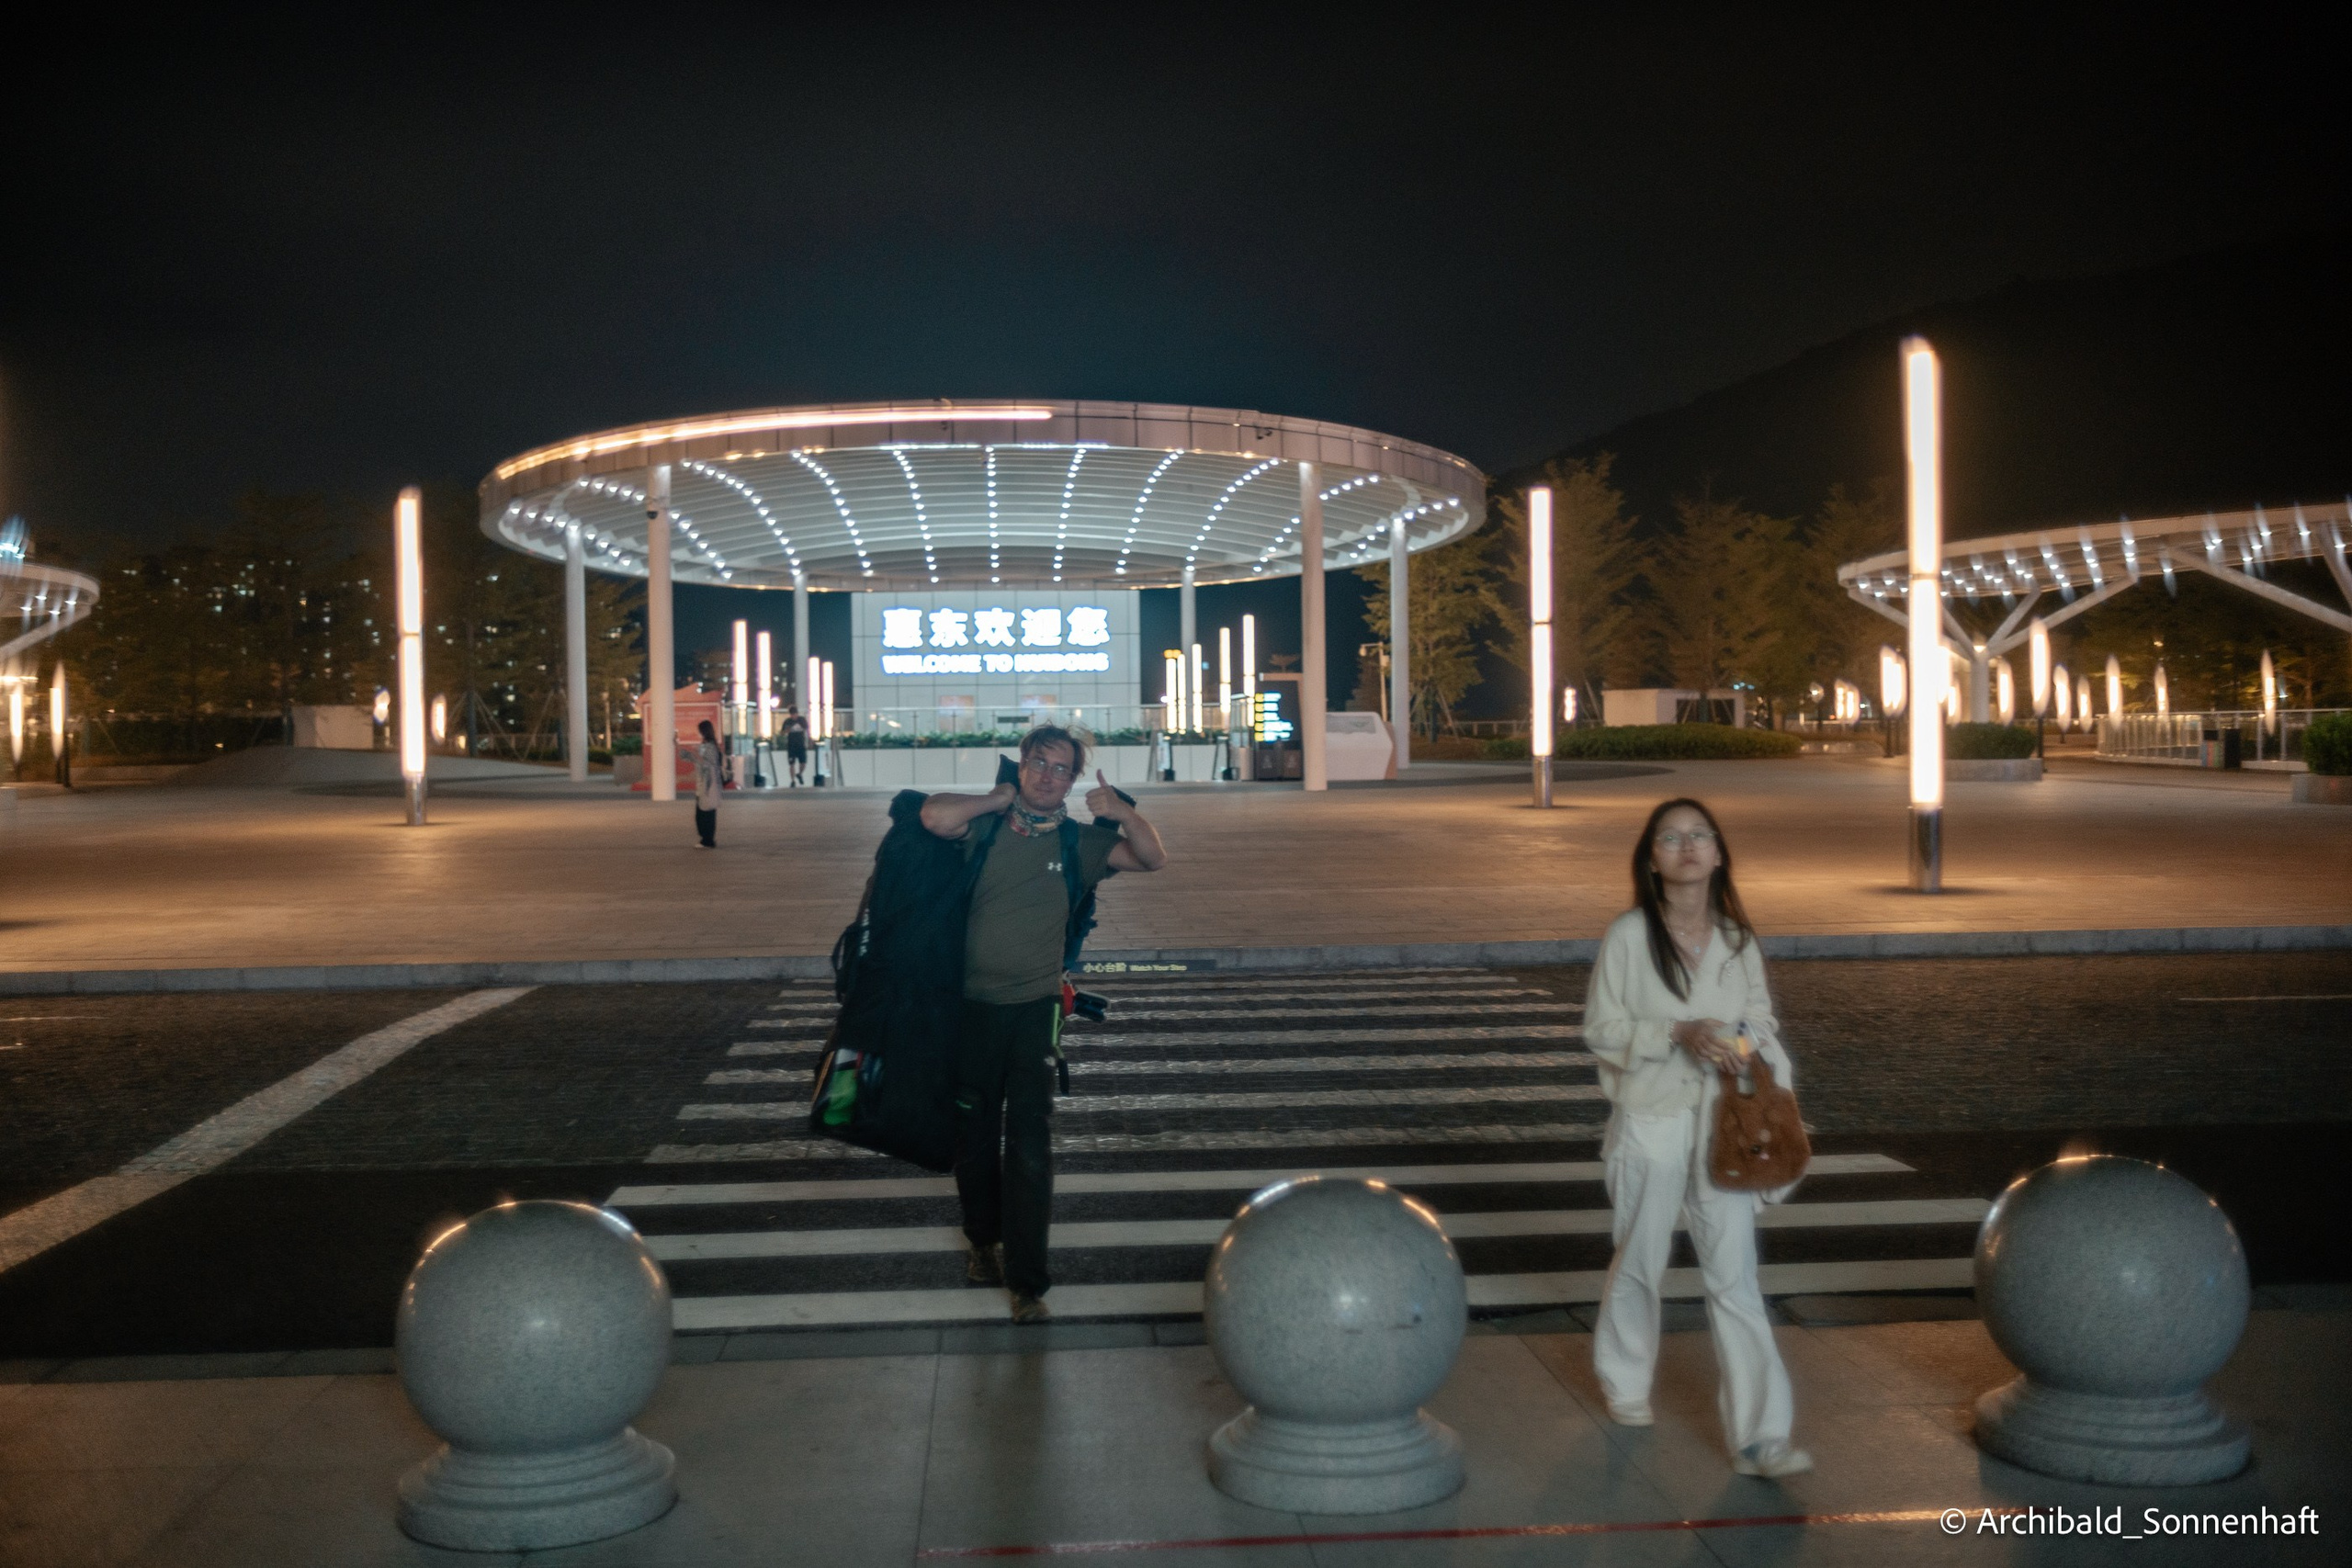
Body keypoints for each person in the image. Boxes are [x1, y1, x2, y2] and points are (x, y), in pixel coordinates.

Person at [1584, 796, 1811, 1479]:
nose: (1686, 846)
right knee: (1640, 1259)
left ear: (1717, 854)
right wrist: (1673, 1034)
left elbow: (1762, 1021)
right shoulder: (1628, 936)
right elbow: (1601, 1028)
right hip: (1649, 1120)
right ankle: (1624, 1381)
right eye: (1670, 838)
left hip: (1724, 1127)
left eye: (1699, 836)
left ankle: (1761, 1436)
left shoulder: (1739, 941)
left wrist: (1738, 1044)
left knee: (1735, 1277)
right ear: (1651, 859)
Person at [919, 727, 1166, 1322]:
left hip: (1036, 1010)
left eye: (1061, 769)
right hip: (970, 1008)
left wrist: (1126, 811)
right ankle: (983, 1240)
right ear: (1022, 766)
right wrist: (994, 799)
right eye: (1039, 763)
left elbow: (1153, 857)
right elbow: (931, 816)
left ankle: (1028, 1282)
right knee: (974, 1140)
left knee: (1030, 1143)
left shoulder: (1081, 842)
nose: (1049, 776)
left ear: (1074, 780)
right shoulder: (983, 826)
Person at [691, 719, 729, 848]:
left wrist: (696, 753)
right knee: (706, 813)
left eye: (700, 731)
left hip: (708, 785)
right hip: (707, 785)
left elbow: (707, 763)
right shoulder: (710, 745)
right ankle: (707, 839)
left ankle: (707, 840)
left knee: (704, 814)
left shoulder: (710, 747)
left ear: (703, 732)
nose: (699, 734)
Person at [781, 707, 810, 786]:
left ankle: (800, 774)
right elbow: (782, 732)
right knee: (792, 764)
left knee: (803, 762)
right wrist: (787, 730)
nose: (794, 716)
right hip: (791, 745)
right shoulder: (787, 722)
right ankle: (793, 780)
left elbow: (806, 728)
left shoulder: (802, 720)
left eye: (795, 714)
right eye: (792, 715)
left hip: (801, 744)